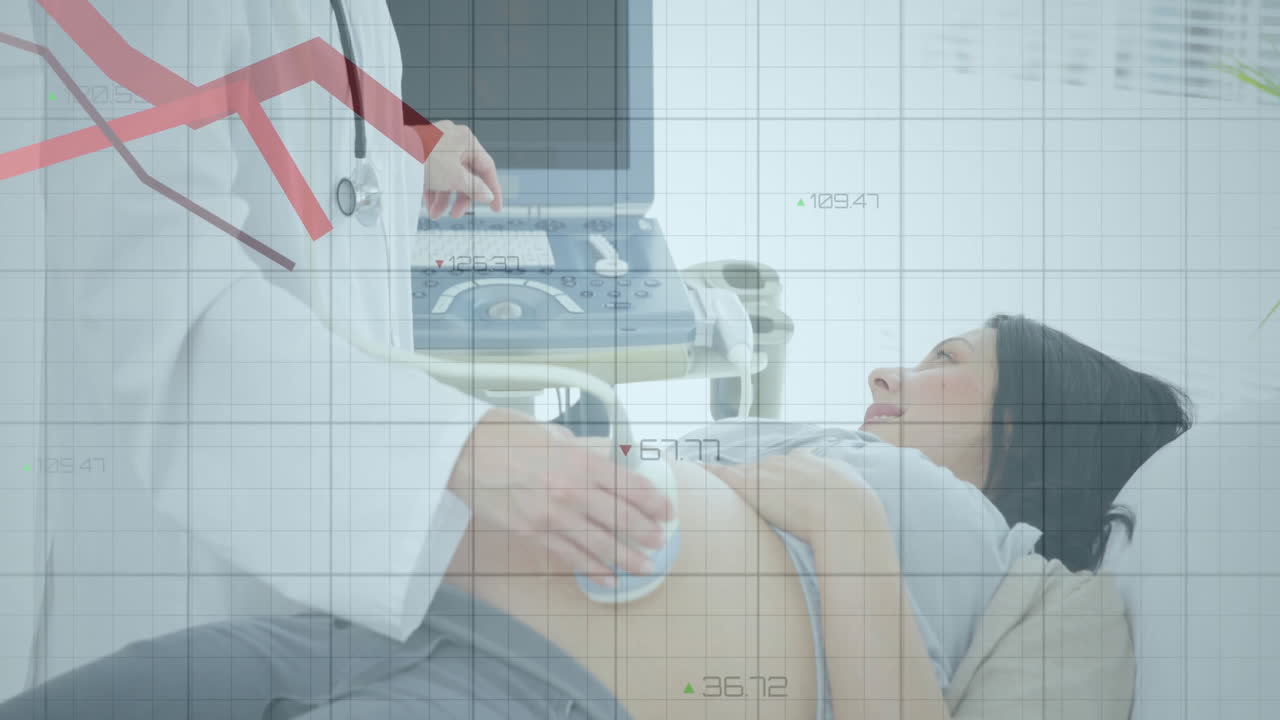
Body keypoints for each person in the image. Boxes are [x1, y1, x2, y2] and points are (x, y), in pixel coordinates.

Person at [0, 314, 1191, 719]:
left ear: (1034, 424)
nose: (886, 375)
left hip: (543, 695)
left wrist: (844, 528)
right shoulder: (833, 442)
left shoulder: (1019, 585)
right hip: (388, 604)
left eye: (941, 360)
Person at [7, 0, 672, 696]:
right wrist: (461, 447)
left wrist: (400, 139)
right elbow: (159, 310)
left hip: (326, 577)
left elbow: (285, 87)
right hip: (180, 556)